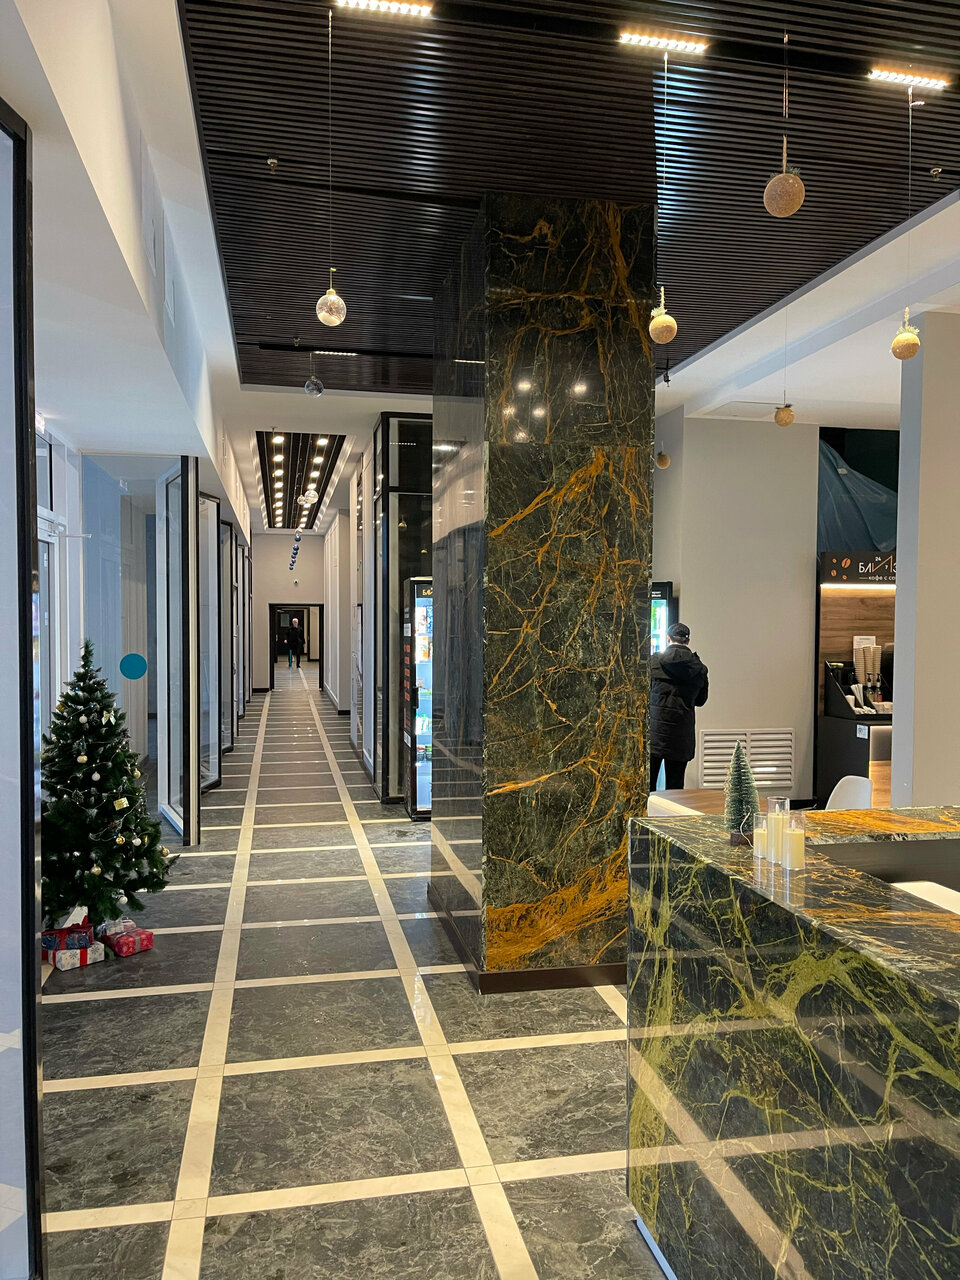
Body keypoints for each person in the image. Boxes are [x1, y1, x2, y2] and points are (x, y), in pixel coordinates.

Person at [649, 621, 708, 792]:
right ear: (687, 641)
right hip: (681, 735)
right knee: (675, 790)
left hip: (655, 733)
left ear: (668, 638)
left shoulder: (653, 662)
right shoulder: (699, 668)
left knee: (647, 787)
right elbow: (701, 700)